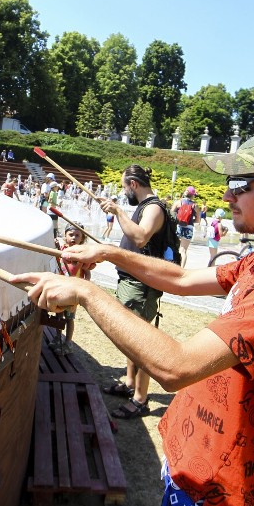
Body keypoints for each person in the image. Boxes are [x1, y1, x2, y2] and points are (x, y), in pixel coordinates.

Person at [12, 128, 254, 506]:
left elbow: (175, 368)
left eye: (241, 185)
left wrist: (85, 292)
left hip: (218, 491)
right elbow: (181, 279)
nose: (227, 195)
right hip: (195, 468)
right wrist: (108, 254)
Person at [78, 165, 169, 420]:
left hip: (141, 287)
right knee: (130, 339)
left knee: (140, 343)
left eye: (124, 186)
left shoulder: (153, 207)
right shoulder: (144, 206)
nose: (123, 191)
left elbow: (140, 238)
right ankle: (130, 384)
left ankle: (140, 399)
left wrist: (117, 210)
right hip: (132, 282)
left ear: (133, 184)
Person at [49, 223, 92, 355]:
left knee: (69, 318)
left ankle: (68, 342)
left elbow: (87, 272)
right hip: (61, 288)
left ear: (82, 238)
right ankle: (58, 337)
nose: (73, 238)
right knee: (58, 315)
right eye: (70, 235)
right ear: (65, 236)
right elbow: (55, 258)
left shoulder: (82, 254)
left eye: (77, 235)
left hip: (73, 291)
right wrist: (56, 245)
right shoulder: (62, 249)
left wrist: (85, 284)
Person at [170, 186, 199, 269]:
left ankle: (173, 266)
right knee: (183, 250)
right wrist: (190, 221)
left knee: (175, 247)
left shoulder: (178, 202)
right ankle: (181, 269)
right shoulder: (195, 205)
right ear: (193, 195)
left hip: (178, 226)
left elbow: (171, 215)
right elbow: (198, 220)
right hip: (188, 228)